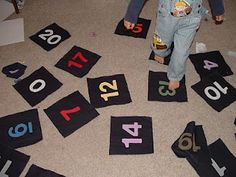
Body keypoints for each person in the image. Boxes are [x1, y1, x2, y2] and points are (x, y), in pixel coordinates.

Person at [124, 0, 225, 90]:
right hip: (167, 18)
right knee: (161, 41)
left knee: (182, 50)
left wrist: (218, 9)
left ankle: (175, 75)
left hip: (191, 20)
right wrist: (131, 15)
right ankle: (160, 53)